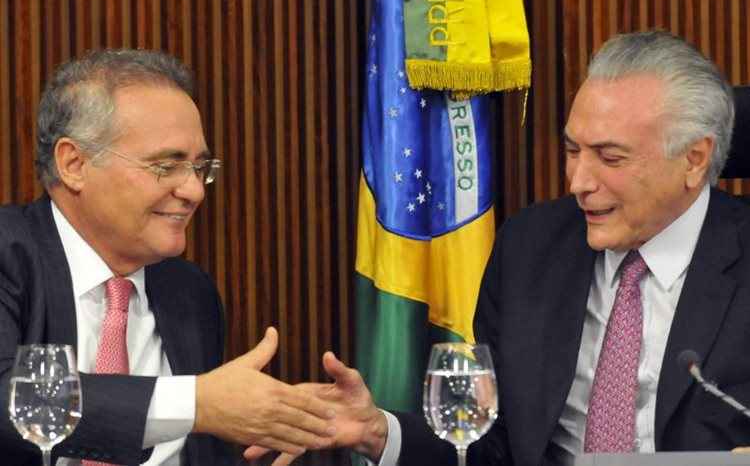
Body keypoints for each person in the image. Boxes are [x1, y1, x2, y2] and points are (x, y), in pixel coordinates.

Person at [247, 30, 750, 466]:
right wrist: (379, 430)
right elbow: (490, 443)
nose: (578, 181)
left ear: (694, 160)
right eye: (573, 150)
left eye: (609, 158)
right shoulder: (531, 248)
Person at [0, 49, 337, 465]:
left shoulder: (188, 292)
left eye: (200, 167)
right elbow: (8, 398)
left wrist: (295, 420)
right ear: (74, 164)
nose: (195, 191)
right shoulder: (8, 254)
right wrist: (195, 404)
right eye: (166, 166)